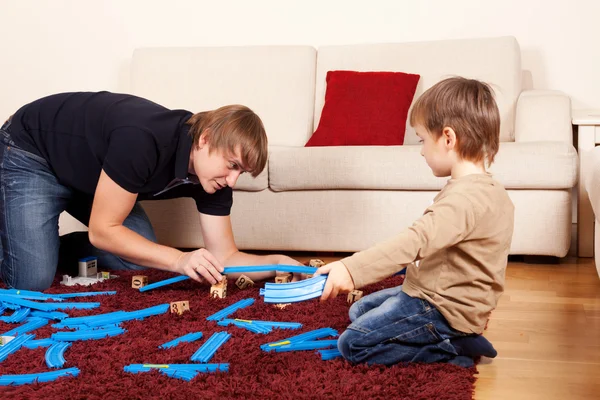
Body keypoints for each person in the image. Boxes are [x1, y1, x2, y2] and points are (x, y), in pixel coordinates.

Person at [0, 91, 300, 291]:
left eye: (241, 172)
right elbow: (104, 232)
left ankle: (39, 246)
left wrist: (278, 263)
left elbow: (226, 256)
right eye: (232, 165)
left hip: (91, 175)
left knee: (135, 254)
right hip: (32, 153)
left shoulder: (215, 179)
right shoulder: (143, 140)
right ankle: (23, 246)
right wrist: (179, 260)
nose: (233, 181)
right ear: (205, 139)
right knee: (31, 280)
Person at [315, 77, 515, 368]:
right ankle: (456, 336)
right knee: (358, 312)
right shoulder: (484, 190)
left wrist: (352, 268)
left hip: (443, 310)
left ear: (448, 138)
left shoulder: (465, 200)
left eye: (422, 139)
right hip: (435, 293)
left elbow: (415, 241)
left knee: (353, 343)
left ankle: (449, 347)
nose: (421, 150)